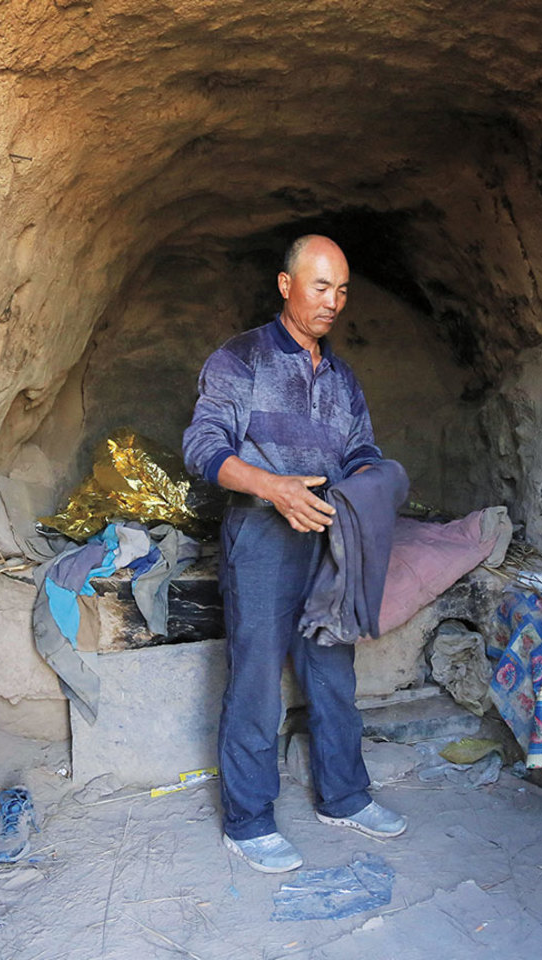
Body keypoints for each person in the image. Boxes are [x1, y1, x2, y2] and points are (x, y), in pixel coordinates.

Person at [182, 234, 407, 873]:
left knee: (332, 669)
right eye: (319, 286)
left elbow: (360, 448)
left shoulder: (341, 377)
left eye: (340, 290)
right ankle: (249, 820)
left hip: (330, 536)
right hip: (261, 537)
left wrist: (374, 481)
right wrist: (271, 486)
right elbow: (203, 445)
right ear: (287, 286)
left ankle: (344, 796)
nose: (332, 301)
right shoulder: (240, 359)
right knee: (256, 676)